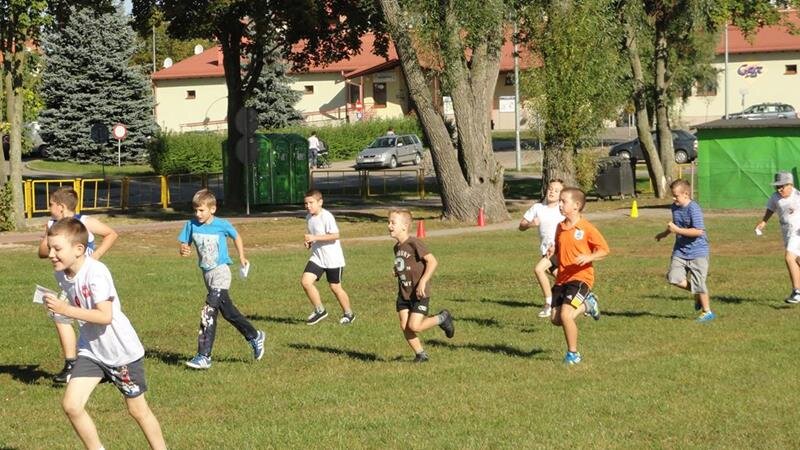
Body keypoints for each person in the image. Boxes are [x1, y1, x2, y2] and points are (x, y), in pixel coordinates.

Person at [43, 217, 166, 450]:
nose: (50, 254)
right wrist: (58, 309)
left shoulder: (96, 272)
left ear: (79, 249)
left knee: (137, 410)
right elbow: (76, 305)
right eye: (50, 248)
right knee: (72, 405)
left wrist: (66, 309)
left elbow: (104, 316)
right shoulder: (61, 274)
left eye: (57, 249)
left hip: (121, 352)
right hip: (92, 351)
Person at [38, 186, 118, 384]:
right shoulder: (52, 225)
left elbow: (111, 234)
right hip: (68, 281)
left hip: (87, 280)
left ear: (61, 206)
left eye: (51, 204)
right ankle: (81, 363)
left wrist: (96, 255)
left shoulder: (85, 222)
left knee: (73, 316)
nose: (48, 208)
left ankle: (83, 363)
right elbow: (41, 253)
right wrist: (47, 237)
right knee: (63, 316)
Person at [178, 189, 265, 369]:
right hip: (207, 275)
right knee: (229, 312)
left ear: (212, 209)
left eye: (201, 210)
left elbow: (236, 236)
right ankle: (255, 336)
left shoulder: (222, 225)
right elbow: (184, 244)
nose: (198, 214)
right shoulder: (191, 225)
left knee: (208, 311)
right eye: (195, 210)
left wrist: (242, 256)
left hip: (221, 272)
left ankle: (203, 356)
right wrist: (183, 249)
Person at [547, 187, 609, 365]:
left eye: (563, 201)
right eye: (559, 201)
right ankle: (588, 304)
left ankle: (573, 354)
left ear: (576, 205)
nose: (559, 204)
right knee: (556, 319)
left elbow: (604, 250)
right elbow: (559, 251)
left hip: (581, 278)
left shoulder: (586, 228)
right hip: (562, 279)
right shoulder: (560, 227)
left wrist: (589, 257)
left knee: (566, 315)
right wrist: (552, 252)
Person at [388, 209, 454, 362]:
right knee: (405, 326)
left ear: (404, 226)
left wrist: (423, 282)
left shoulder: (414, 243)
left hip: (419, 293)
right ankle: (421, 354)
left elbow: (432, 261)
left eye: (393, 223)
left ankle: (442, 318)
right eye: (388, 222)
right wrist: (397, 270)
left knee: (415, 326)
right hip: (404, 293)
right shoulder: (397, 247)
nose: (389, 226)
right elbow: (406, 263)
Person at [656, 179, 715, 321]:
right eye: (673, 195)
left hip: (698, 252)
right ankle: (697, 293)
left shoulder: (693, 208)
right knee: (673, 278)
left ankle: (707, 312)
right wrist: (664, 234)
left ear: (686, 194)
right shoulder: (674, 207)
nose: (673, 198)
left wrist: (677, 230)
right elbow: (675, 225)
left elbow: (698, 231)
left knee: (699, 283)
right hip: (680, 251)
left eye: (676, 196)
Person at [301, 190, 355, 325]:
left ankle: (349, 314)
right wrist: (309, 242)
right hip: (318, 258)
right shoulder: (308, 218)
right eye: (306, 203)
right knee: (306, 282)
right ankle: (320, 310)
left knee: (335, 287)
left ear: (320, 202)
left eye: (311, 203)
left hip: (333, 259)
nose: (308, 206)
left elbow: (335, 235)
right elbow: (314, 236)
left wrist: (314, 237)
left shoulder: (327, 216)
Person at [518, 179, 565, 318]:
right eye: (550, 189)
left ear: (561, 195)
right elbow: (521, 226)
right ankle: (585, 298)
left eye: (556, 191)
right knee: (563, 278)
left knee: (539, 269)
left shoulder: (562, 209)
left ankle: (548, 305)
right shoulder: (537, 208)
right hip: (546, 250)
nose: (552, 192)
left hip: (559, 249)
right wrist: (531, 224)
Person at [756, 171, 800, 303]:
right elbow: (771, 208)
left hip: (797, 232)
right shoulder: (775, 197)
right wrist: (763, 222)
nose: (779, 189)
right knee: (797, 260)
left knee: (789, 257)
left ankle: (797, 292)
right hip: (786, 232)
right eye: (777, 186)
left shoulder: (797, 196)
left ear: (790, 185)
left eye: (782, 186)